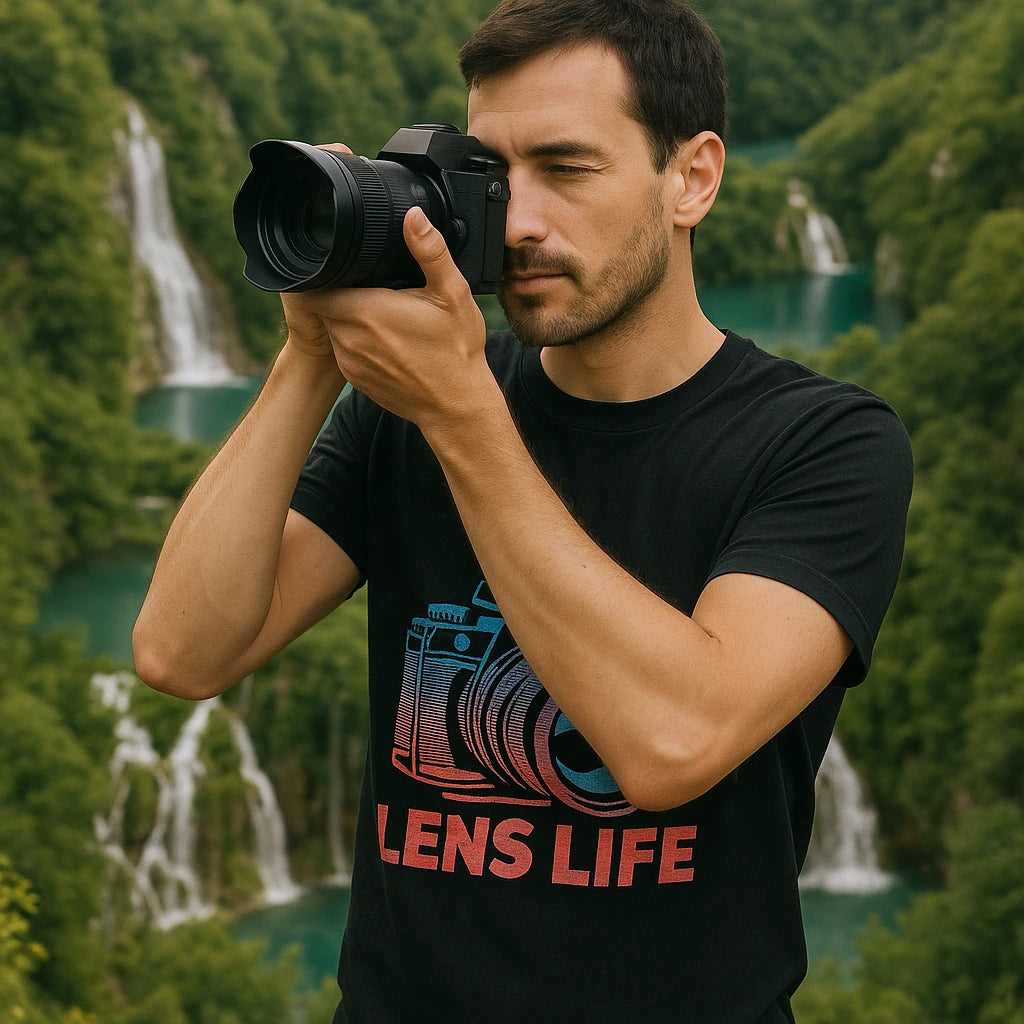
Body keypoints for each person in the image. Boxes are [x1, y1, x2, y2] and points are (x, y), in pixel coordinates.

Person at [133, 1, 913, 1020]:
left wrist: (461, 412)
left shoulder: (824, 442)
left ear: (692, 177)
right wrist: (308, 356)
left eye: (568, 168)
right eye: (496, 176)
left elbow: (673, 742)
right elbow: (182, 652)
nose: (521, 223)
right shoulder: (410, 411)